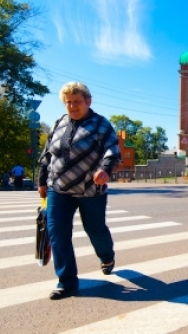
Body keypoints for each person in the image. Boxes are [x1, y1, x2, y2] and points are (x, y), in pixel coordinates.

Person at [37, 82, 121, 300]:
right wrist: (42, 180)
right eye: (69, 102)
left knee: (95, 229)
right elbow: (47, 154)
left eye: (77, 102)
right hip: (59, 188)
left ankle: (106, 256)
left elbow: (112, 149)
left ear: (88, 101)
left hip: (90, 188)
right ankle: (67, 282)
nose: (73, 106)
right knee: (57, 234)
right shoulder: (59, 122)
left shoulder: (100, 124)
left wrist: (105, 168)